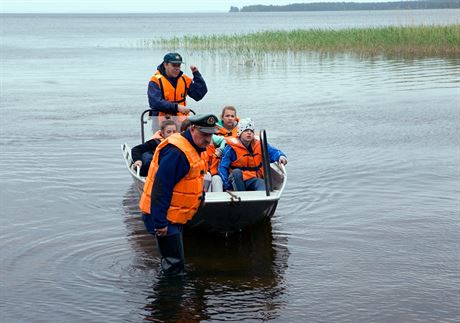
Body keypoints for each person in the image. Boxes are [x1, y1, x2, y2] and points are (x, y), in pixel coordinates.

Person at [139, 114, 218, 275]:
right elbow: (161, 189)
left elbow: (195, 177)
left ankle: (174, 292)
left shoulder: (196, 147)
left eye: (211, 134)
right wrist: (160, 223)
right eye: (204, 134)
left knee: (175, 260)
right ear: (192, 129)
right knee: (174, 265)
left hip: (176, 213)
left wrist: (201, 197)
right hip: (164, 216)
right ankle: (169, 297)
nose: (208, 139)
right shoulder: (176, 153)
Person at [218, 118, 288, 192]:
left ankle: (261, 199)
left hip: (253, 178)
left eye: (251, 131)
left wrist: (280, 156)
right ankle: (242, 197)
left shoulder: (260, 145)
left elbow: (273, 151)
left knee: (264, 187)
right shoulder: (230, 148)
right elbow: (222, 167)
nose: (249, 133)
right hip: (237, 179)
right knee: (236, 172)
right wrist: (227, 187)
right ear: (240, 133)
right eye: (246, 131)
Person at [147, 52, 208, 121]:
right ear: (165, 65)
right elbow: (155, 103)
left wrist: (196, 74)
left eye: (178, 65)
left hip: (182, 121)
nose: (177, 68)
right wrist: (177, 107)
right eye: (174, 65)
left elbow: (199, 95)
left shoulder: (184, 79)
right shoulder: (155, 80)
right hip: (161, 122)